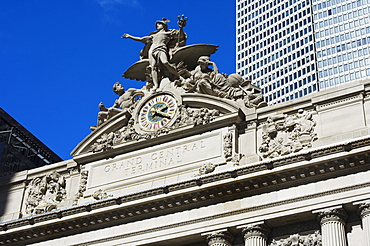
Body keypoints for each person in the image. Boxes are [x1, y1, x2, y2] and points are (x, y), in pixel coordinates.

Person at [122, 17, 187, 90]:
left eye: (159, 24)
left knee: (165, 62)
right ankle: (156, 85)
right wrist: (129, 36)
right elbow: (141, 39)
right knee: (153, 67)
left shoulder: (168, 33)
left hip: (161, 48)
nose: (157, 26)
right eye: (157, 25)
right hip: (152, 50)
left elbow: (180, 36)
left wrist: (181, 27)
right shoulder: (153, 35)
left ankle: (179, 77)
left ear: (164, 25)